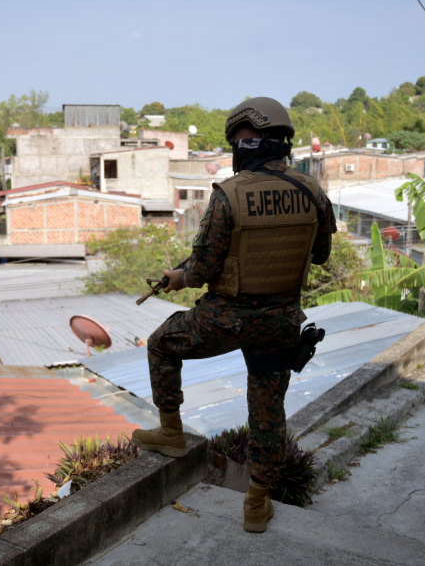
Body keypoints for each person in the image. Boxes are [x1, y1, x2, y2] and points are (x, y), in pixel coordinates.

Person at [131, 97, 337, 533]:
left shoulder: (229, 194)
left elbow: (203, 270)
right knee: (267, 412)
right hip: (282, 321)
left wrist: (178, 276)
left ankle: (170, 433)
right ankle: (256, 506)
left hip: (227, 318)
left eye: (239, 140)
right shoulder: (313, 192)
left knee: (162, 344)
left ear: (251, 143)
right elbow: (320, 257)